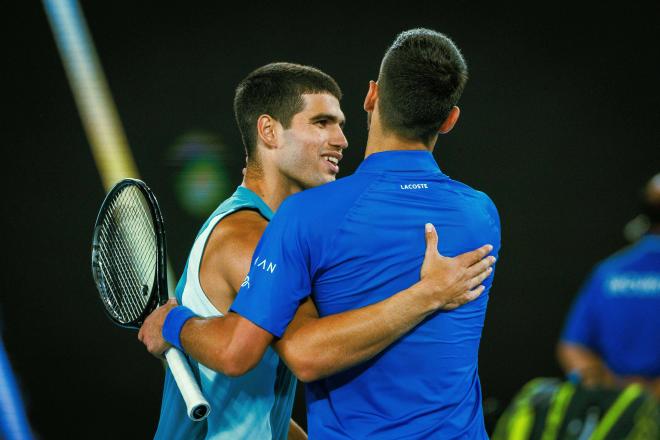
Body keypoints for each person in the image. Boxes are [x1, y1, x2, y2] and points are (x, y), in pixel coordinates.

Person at [149, 61, 496, 439]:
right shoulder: (248, 236)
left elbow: (262, 412)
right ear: (268, 131)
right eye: (321, 123)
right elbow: (242, 352)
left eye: (341, 124)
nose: (341, 140)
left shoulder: (267, 225)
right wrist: (171, 323)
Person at [558, 173, 660, 399]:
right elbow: (572, 346)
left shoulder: (609, 271)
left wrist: (610, 390)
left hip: (617, 413)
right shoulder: (608, 272)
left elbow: (572, 348)